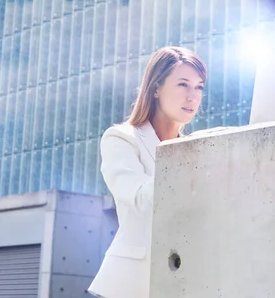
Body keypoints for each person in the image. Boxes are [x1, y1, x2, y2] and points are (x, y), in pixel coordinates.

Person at [88, 46, 208, 298]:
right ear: (155, 88)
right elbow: (140, 201)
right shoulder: (120, 139)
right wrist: (185, 155)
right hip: (127, 285)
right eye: (182, 84)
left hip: (180, 282)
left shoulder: (196, 151)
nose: (192, 96)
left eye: (199, 87)